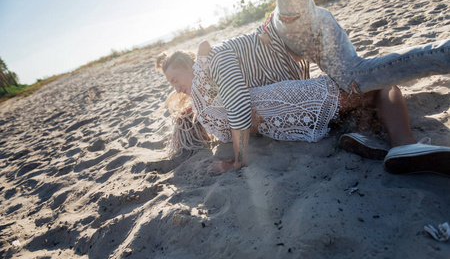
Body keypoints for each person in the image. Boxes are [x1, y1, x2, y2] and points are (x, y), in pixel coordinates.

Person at [156, 46, 450, 176]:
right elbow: (242, 119)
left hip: (292, 101)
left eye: (174, 79)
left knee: (370, 91)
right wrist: (235, 163)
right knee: (380, 85)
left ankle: (364, 133)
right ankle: (403, 145)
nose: (175, 87)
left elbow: (240, 114)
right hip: (292, 104)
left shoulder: (208, 82)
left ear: (190, 67)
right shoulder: (204, 101)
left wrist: (235, 160)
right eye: (171, 83)